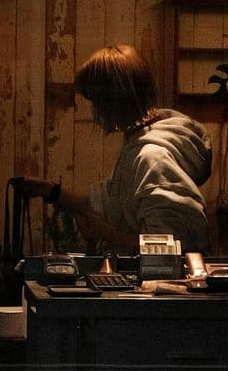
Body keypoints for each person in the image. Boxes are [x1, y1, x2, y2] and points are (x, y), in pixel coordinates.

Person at [63, 44, 212, 255]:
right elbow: (106, 199)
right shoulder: (139, 145)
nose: (94, 109)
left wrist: (107, 234)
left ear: (113, 100)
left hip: (163, 285)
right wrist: (50, 192)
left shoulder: (152, 157)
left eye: (96, 100)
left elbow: (173, 246)